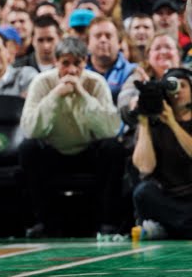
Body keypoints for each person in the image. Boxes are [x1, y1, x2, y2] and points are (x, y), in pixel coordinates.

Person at [19, 37, 125, 237]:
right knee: (28, 149)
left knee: (113, 148)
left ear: (86, 62)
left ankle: (108, 222)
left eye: (77, 63)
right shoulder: (42, 82)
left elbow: (111, 129)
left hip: (87, 152)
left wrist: (83, 94)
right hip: (54, 152)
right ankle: (43, 222)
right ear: (56, 62)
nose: (72, 70)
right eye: (65, 63)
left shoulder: (96, 82)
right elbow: (30, 129)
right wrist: (55, 95)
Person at [131, 67, 192, 239]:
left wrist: (173, 123)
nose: (177, 91)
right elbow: (145, 167)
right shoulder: (155, 123)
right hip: (169, 198)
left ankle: (172, 228)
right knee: (143, 192)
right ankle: (182, 226)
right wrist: (144, 121)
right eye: (171, 86)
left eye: (183, 85)